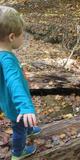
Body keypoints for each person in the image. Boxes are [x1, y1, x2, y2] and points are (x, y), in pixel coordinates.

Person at [0, 6, 41, 160]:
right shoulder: (7, 59)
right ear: (11, 37)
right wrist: (25, 106)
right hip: (16, 106)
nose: (23, 38)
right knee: (19, 130)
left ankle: (30, 128)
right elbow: (13, 82)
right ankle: (18, 153)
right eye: (22, 35)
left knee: (24, 125)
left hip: (6, 101)